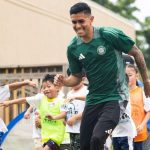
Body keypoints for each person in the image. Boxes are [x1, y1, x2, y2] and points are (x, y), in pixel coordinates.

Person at [54, 2, 150, 150]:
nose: (78, 26)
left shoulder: (108, 35)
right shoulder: (73, 48)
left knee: (97, 138)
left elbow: (136, 52)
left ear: (91, 19)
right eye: (74, 22)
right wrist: (64, 81)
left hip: (116, 97)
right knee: (84, 144)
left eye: (81, 21)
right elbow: (76, 77)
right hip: (94, 99)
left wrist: (146, 80)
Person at [1, 74, 66, 150]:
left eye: (49, 86)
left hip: (57, 136)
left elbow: (64, 115)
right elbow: (25, 99)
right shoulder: (41, 98)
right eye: (44, 87)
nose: (46, 89)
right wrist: (10, 102)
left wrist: (54, 118)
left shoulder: (61, 101)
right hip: (45, 136)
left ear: (57, 87)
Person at [126, 64, 150, 150]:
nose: (127, 78)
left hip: (139, 134)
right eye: (125, 75)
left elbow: (148, 111)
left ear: (137, 76)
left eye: (130, 75)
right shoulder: (121, 93)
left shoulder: (142, 91)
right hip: (125, 134)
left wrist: (142, 125)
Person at [62, 77, 88, 150]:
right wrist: (65, 118)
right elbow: (67, 107)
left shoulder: (86, 90)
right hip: (72, 129)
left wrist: (75, 117)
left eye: (75, 80)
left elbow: (89, 110)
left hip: (82, 129)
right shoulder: (70, 93)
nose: (72, 82)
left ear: (83, 79)